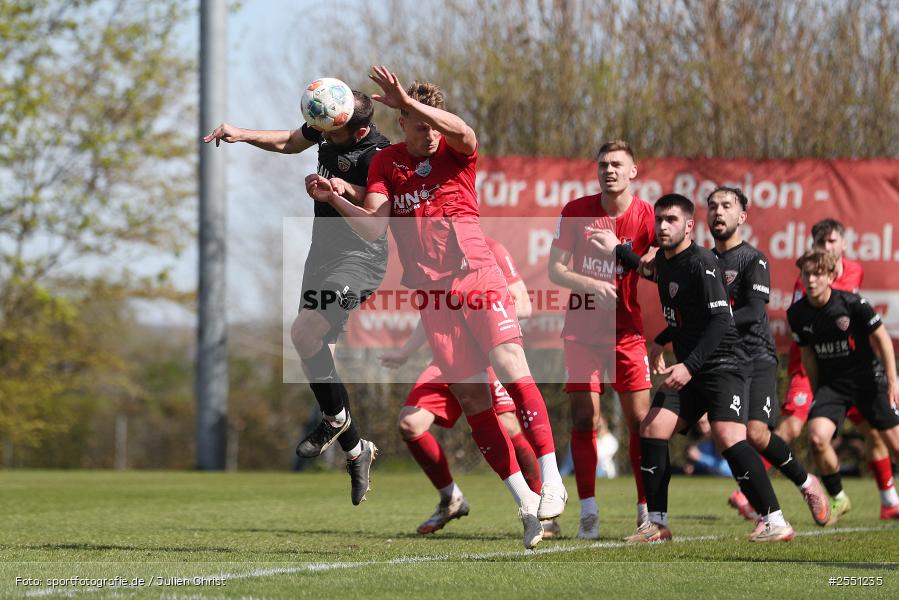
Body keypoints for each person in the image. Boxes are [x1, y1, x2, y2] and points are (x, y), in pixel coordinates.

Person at [306, 66, 567, 549]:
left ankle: (551, 479)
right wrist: (337, 195)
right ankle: (525, 504)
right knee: (472, 403)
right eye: (417, 123)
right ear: (401, 123)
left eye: (433, 122)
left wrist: (410, 99)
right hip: (431, 294)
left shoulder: (455, 151)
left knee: (512, 366)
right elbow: (373, 228)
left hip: (477, 275)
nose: (428, 132)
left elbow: (465, 132)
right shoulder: (386, 162)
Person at [203, 90, 389, 505]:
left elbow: (376, 224)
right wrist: (241, 133)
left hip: (358, 259)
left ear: (358, 130)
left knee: (304, 332)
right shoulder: (331, 128)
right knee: (311, 346)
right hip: (322, 255)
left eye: (331, 132)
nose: (323, 136)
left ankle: (335, 420)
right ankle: (356, 448)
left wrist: (341, 192)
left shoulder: (380, 156)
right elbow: (290, 141)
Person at [627, 193, 794, 543]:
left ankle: (775, 520)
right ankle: (656, 524)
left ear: (689, 225)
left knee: (730, 437)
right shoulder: (665, 262)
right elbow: (679, 308)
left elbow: (719, 321)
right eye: (659, 220)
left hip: (724, 365)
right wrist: (661, 339)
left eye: (671, 219)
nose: (662, 226)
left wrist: (687, 365)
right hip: (693, 367)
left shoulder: (701, 262)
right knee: (653, 427)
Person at [381, 237, 561, 538]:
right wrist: (405, 352)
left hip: (483, 347)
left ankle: (543, 505)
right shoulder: (430, 261)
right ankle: (451, 498)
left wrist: (482, 316)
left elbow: (524, 305)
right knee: (410, 423)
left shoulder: (491, 249)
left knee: (508, 423)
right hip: (447, 356)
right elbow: (431, 315)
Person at [548, 140, 655, 539]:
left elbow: (659, 271)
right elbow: (555, 270)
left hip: (628, 333)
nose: (609, 170)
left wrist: (623, 253)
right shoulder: (576, 212)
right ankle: (588, 513)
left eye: (617, 165)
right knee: (583, 419)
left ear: (633, 171)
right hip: (581, 331)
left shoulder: (648, 217)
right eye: (603, 164)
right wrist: (591, 284)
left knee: (640, 424)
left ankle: (646, 511)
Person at [706, 187, 830, 526]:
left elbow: (753, 310)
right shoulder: (703, 262)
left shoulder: (753, 259)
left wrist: (716, 321)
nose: (718, 211)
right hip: (721, 361)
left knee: (757, 434)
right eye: (713, 206)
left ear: (742, 217)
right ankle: (767, 514)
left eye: (726, 206)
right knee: (728, 436)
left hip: (756, 357)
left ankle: (807, 484)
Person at [769, 219, 899, 522]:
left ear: (831, 276)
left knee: (893, 442)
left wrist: (892, 380)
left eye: (817, 274)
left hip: (868, 379)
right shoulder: (797, 314)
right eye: (806, 274)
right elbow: (809, 354)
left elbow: (881, 338)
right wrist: (817, 392)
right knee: (816, 437)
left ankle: (887, 498)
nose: (810, 280)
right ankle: (839, 498)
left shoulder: (853, 304)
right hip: (833, 385)